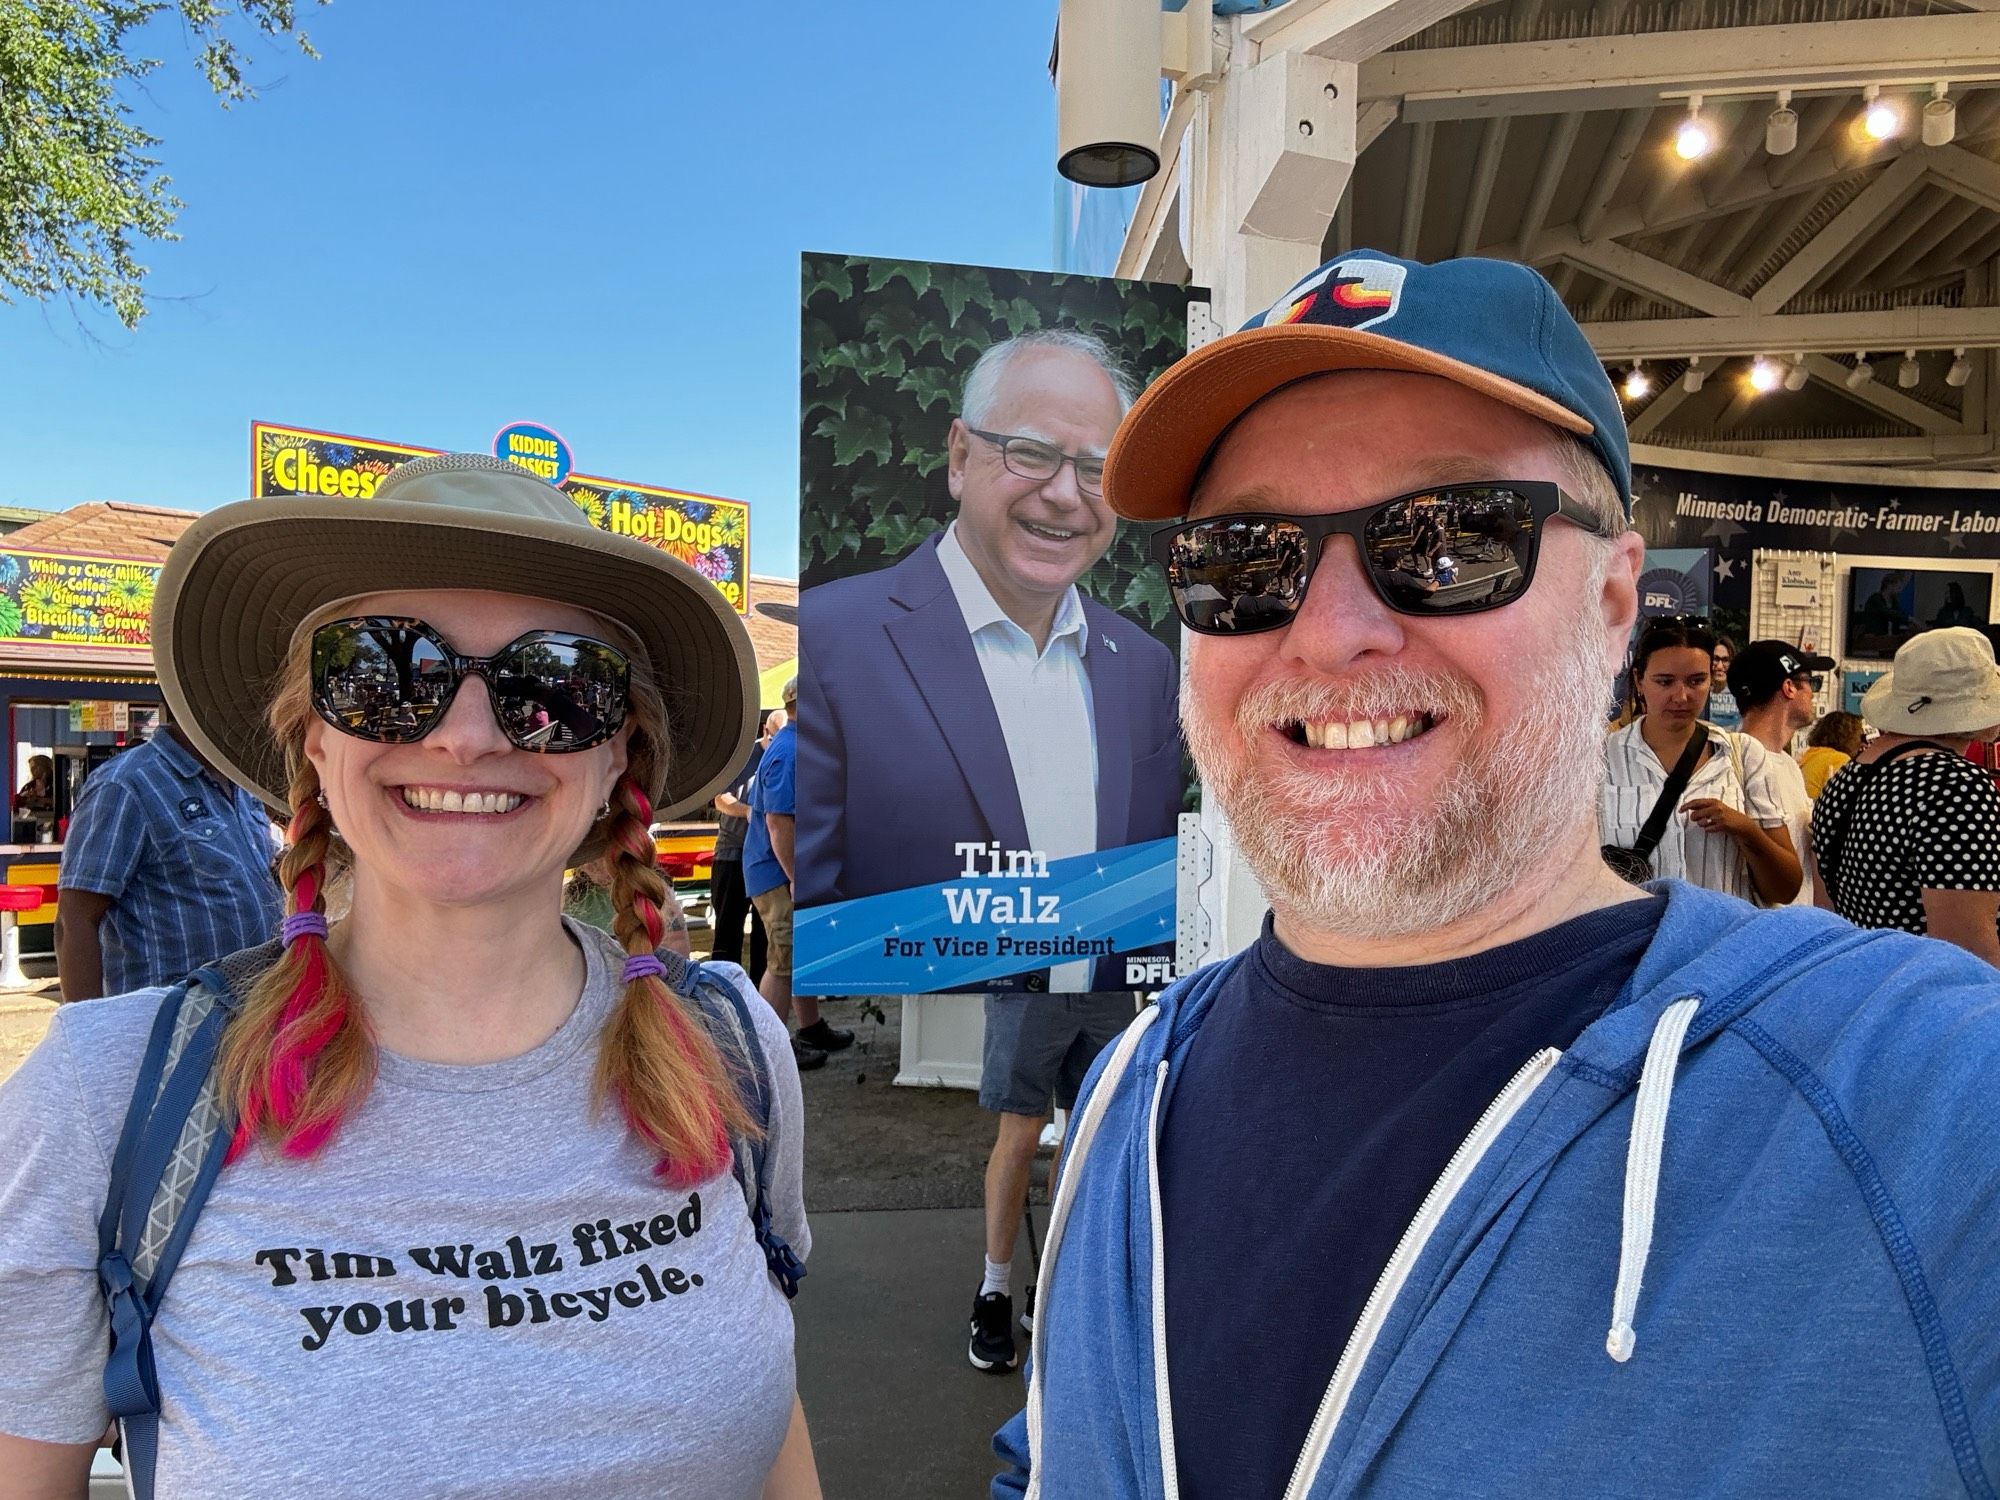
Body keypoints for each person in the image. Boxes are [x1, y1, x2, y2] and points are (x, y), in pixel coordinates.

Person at [994, 250, 2000, 1500]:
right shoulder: (1124, 1100)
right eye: (1243, 558)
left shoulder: (1930, 1100)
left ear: (1614, 599)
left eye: (1450, 535)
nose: (1329, 626)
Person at [0, 455, 819, 1498]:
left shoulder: (730, 1050)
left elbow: (768, 1409)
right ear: (312, 739)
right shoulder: (108, 1096)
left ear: (621, 757)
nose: (465, 735)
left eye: (554, 684)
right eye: (384, 672)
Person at [797, 328, 1182, 991]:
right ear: (959, 457)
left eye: (1096, 469)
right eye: (1032, 453)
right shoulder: (834, 637)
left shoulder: (1145, 666)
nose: (1066, 495)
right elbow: (821, 922)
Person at [54, 704, 284, 1001]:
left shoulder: (242, 783)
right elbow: (74, 919)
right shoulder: (126, 784)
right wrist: (87, 1035)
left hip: (253, 1016)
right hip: (168, 1026)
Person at [967, 991, 1134, 1374]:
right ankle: (993, 1291)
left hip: (1104, 974)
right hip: (1032, 970)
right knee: (1021, 1134)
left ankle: (1054, 1285)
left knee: (1086, 1133)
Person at [1811, 626, 2000, 964]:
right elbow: (1968, 949)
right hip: (1933, 1003)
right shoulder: (1955, 786)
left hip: (1866, 986)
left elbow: (1826, 912)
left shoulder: (1847, 777)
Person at [1602, 618, 1801, 905]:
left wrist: (1745, 829)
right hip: (1636, 939)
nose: (1681, 696)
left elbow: (1785, 889)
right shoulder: (1603, 758)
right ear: (1639, 680)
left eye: (1696, 681)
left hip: (1723, 939)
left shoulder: (1743, 755)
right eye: (1665, 681)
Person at [744, 678, 852, 1067]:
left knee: (798, 953)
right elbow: (778, 823)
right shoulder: (789, 753)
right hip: (777, 874)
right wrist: (796, 876)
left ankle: (810, 1027)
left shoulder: (793, 747)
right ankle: (768, 1050)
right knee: (784, 958)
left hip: (780, 870)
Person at [1728, 640, 1834, 906]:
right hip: (1762, 930)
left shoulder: (1788, 764)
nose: (1812, 693)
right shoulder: (1736, 762)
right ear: (1789, 687)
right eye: (1811, 682)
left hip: (1794, 926)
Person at [708, 721, 770, 980]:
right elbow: (720, 798)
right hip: (733, 853)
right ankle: (721, 995)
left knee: (764, 937)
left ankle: (760, 1000)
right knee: (728, 932)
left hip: (768, 857)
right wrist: (749, 812)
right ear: (766, 731)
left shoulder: (790, 755)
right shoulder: (743, 757)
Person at [1800, 710, 1865, 798]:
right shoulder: (1839, 759)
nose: (1863, 743)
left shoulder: (1810, 755)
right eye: (1861, 737)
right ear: (1847, 736)